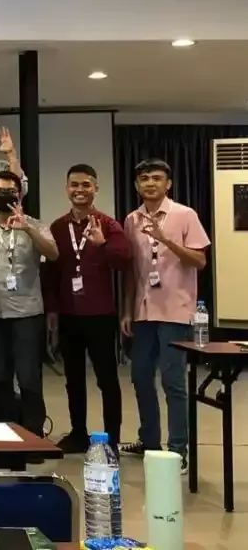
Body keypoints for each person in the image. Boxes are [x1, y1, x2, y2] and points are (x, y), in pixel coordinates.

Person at [121, 159, 209, 470]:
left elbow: (200, 261)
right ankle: (149, 441)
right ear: (137, 185)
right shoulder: (131, 220)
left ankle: (178, 451)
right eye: (144, 178)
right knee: (141, 378)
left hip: (175, 310)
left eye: (157, 178)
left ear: (168, 184)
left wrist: (166, 239)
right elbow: (132, 271)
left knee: (173, 382)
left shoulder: (185, 215)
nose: (150, 183)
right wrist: (127, 310)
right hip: (143, 310)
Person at [42, 164, 131, 453]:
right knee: (73, 379)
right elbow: (51, 272)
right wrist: (52, 309)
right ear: (67, 189)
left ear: (95, 188)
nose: (79, 190)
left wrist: (103, 245)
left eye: (86, 185)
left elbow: (123, 260)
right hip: (68, 313)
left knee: (107, 379)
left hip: (100, 314)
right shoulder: (57, 227)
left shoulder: (109, 224)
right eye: (74, 184)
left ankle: (112, 439)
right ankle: (78, 433)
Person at [0, 171, 58, 437]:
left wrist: (28, 229)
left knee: (29, 377)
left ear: (19, 195)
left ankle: (33, 435)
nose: (4, 195)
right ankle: (5, 436)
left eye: (10, 191)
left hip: (27, 313)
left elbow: (53, 254)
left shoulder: (35, 224)